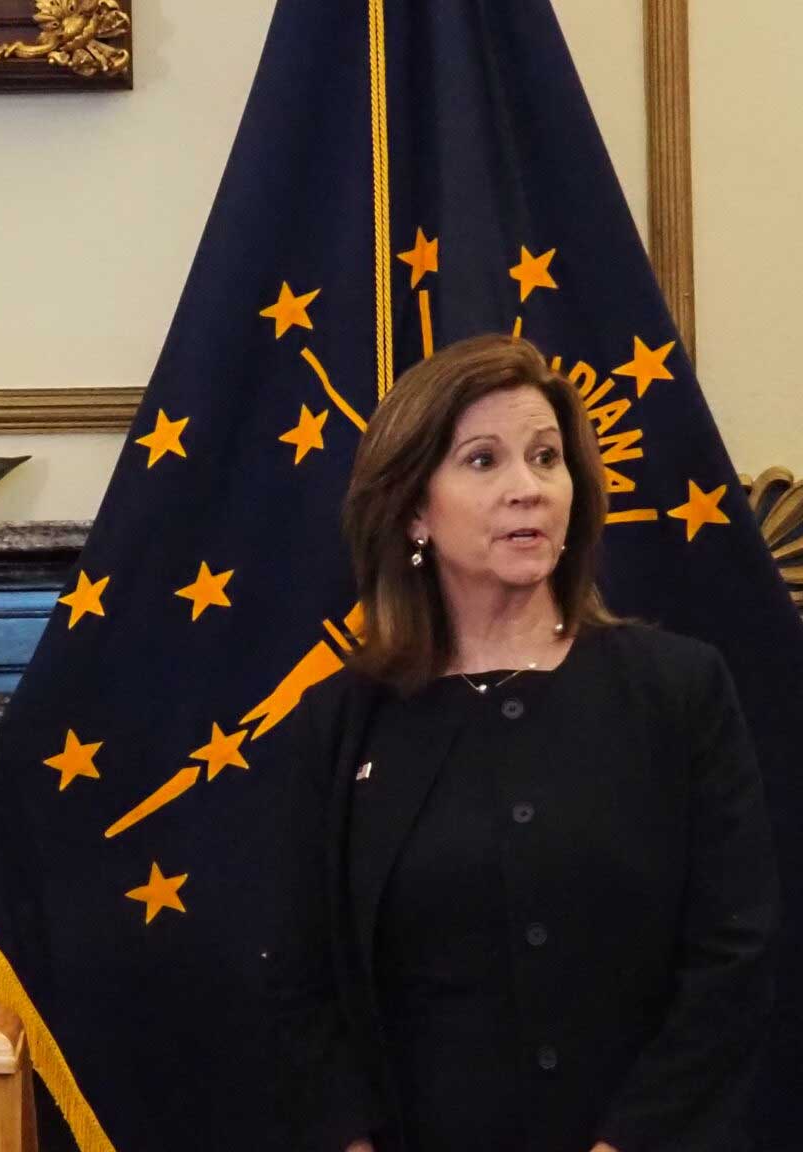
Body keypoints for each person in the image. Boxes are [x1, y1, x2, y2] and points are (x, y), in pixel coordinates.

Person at [276, 334, 776, 1152]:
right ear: (412, 509)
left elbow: (734, 954)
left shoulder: (677, 689)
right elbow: (301, 980)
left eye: (547, 458)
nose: (528, 490)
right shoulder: (342, 721)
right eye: (483, 462)